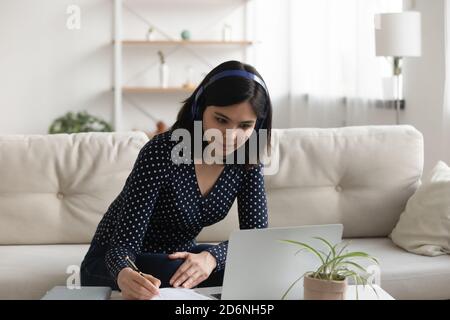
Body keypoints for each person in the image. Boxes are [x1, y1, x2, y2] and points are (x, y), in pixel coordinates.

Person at [80, 60, 273, 300]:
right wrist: (124, 273)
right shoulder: (162, 152)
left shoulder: (248, 157)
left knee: (243, 264)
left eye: (245, 126)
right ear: (199, 109)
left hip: (177, 256)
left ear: (258, 125)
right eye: (221, 120)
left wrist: (211, 258)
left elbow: (256, 238)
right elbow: (122, 247)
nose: (231, 137)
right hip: (115, 262)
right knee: (186, 271)